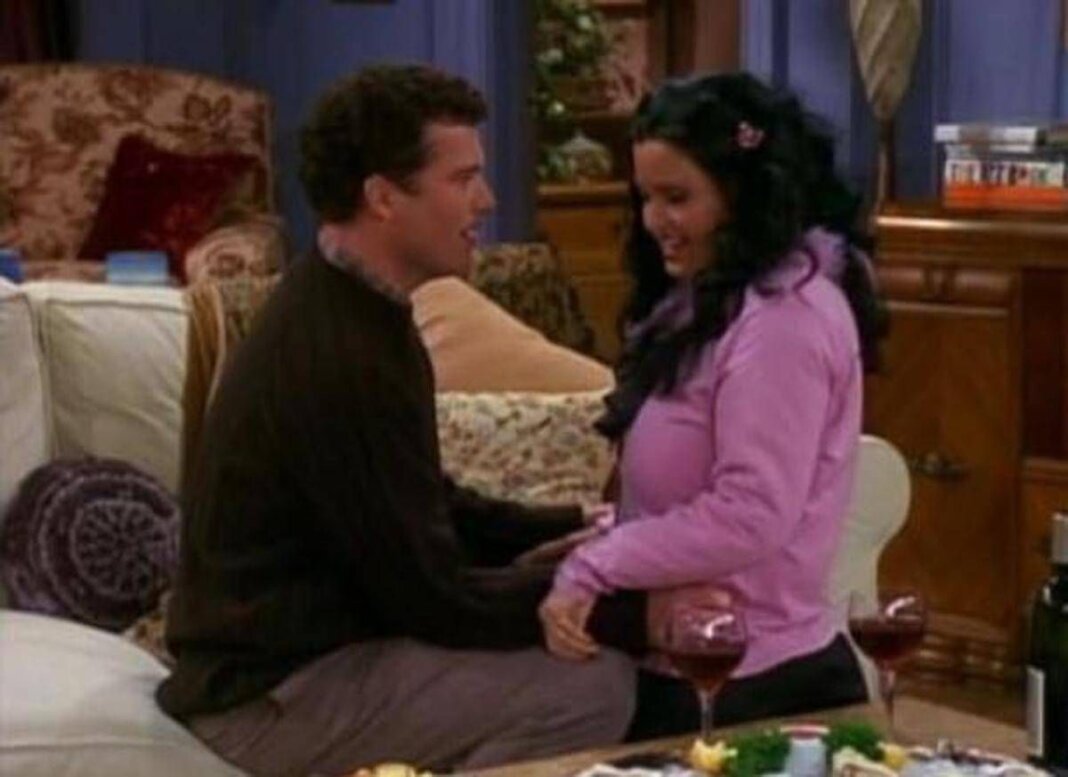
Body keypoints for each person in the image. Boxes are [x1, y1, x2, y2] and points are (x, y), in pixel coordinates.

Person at [157, 64, 664, 776]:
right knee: (591, 686)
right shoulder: (340, 352)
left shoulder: (355, 305)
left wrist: (568, 527)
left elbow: (423, 504)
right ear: (383, 197)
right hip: (267, 697)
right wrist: (623, 602)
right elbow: (431, 598)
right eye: (463, 179)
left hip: (315, 660)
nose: (486, 200)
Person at [539, 71, 888, 741]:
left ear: (742, 193)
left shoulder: (784, 319)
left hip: (758, 688)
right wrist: (604, 531)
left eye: (677, 198)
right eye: (645, 197)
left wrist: (597, 565)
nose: (654, 222)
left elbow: (751, 511)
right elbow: (688, 488)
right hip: (687, 666)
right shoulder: (706, 302)